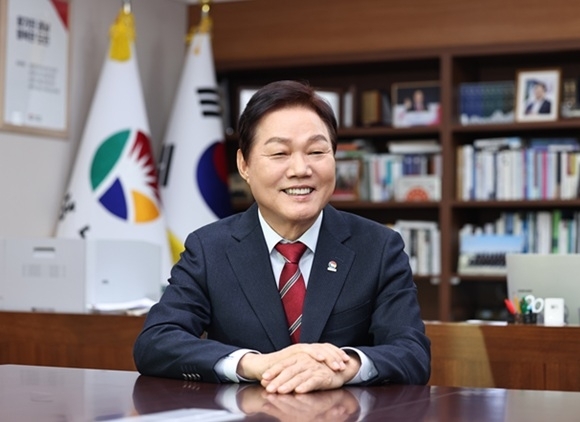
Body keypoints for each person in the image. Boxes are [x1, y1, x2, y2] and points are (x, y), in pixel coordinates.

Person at [133, 80, 431, 394]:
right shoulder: (209, 249)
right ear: (244, 165)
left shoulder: (378, 247)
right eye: (279, 153)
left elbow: (412, 353)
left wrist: (343, 367)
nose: (300, 169)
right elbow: (156, 342)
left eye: (316, 151)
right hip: (246, 412)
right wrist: (253, 364)